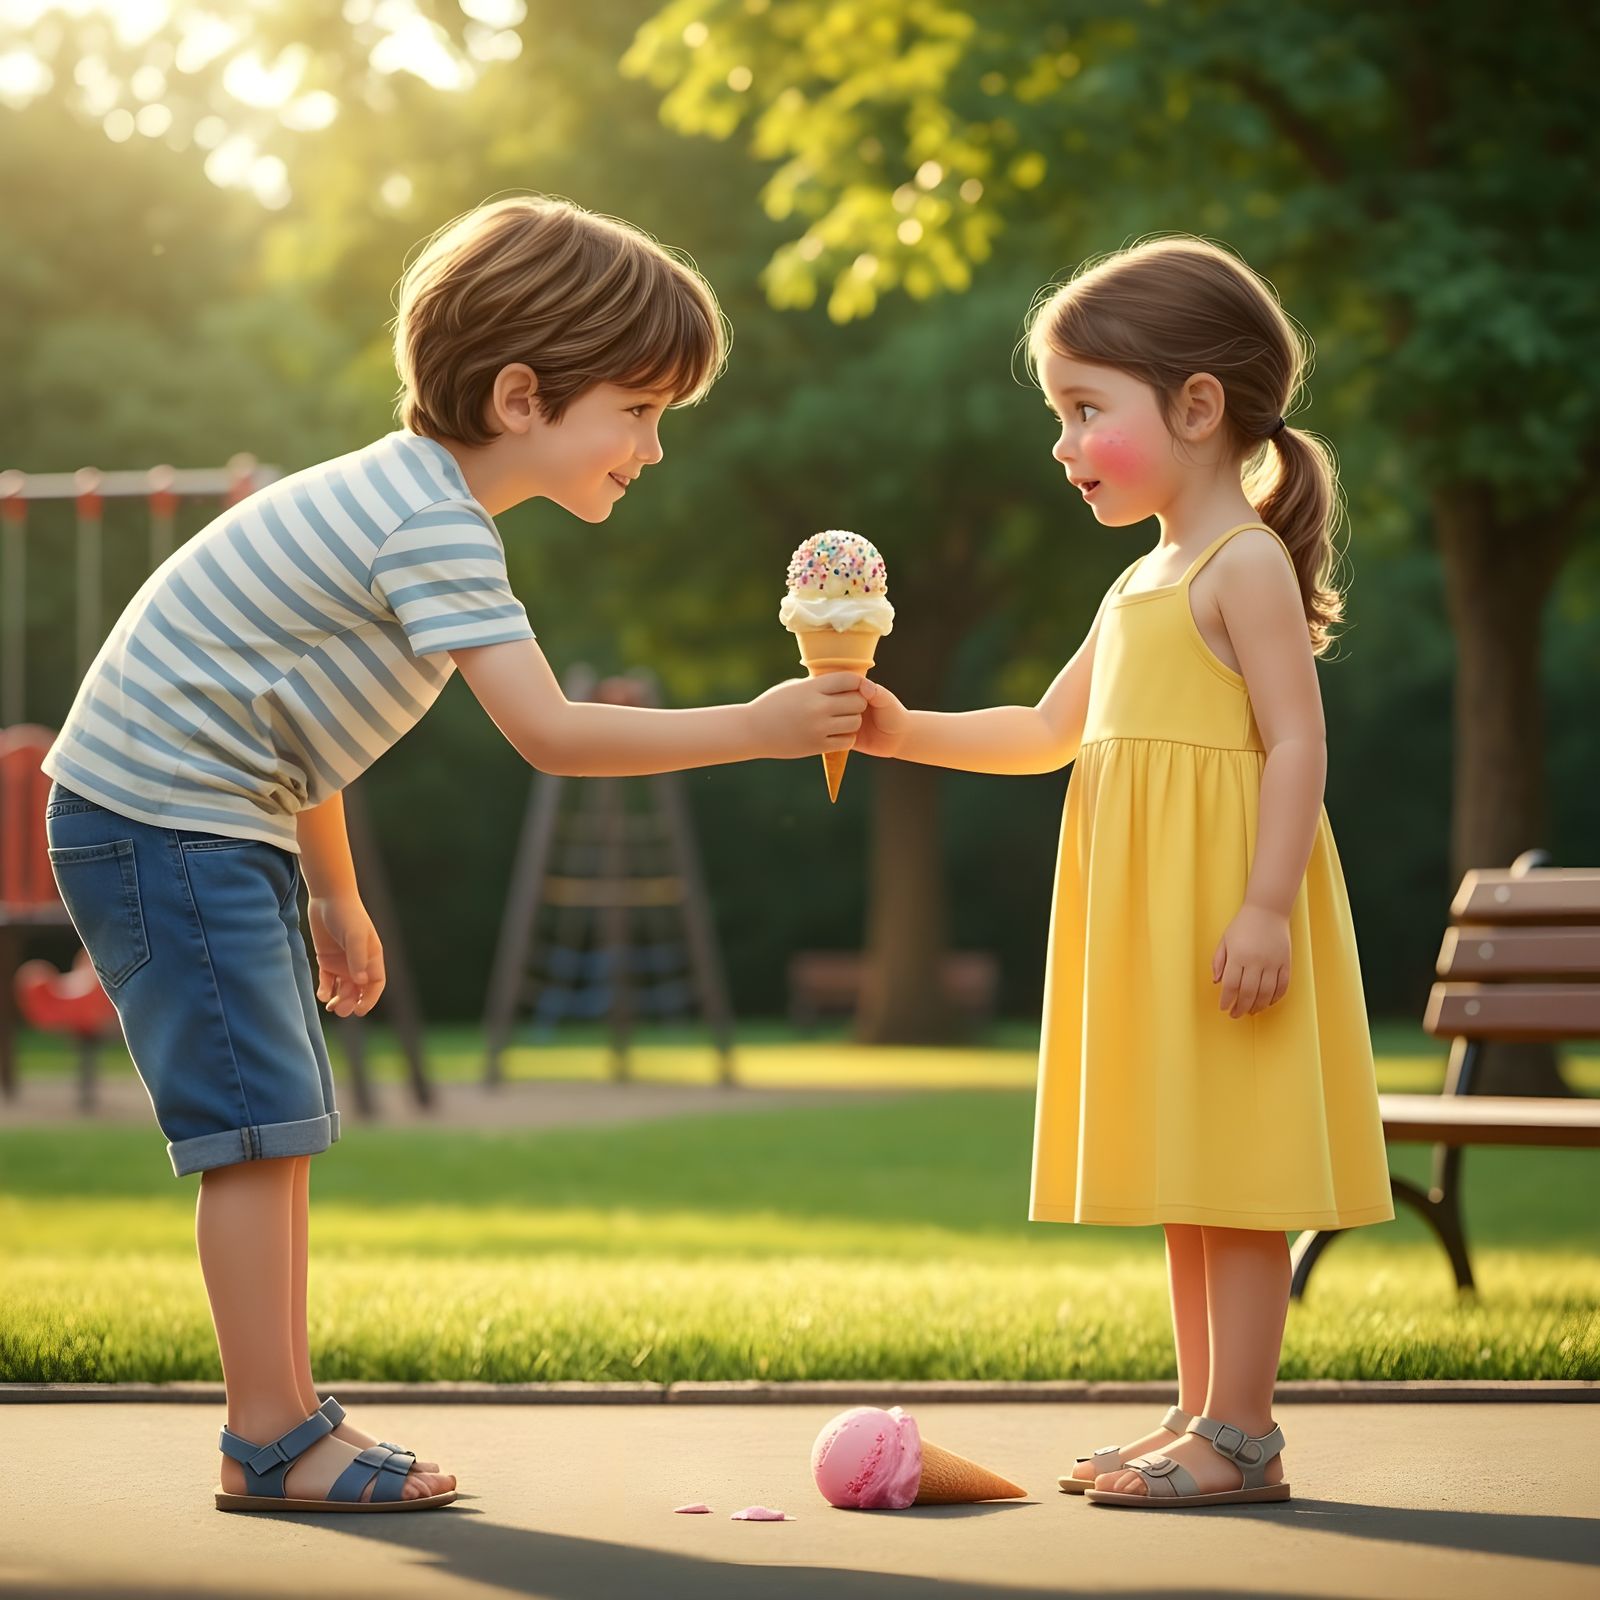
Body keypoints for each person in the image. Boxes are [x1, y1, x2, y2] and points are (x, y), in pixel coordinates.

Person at [42, 195, 866, 1514]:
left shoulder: (401, 499)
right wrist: (760, 728)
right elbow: (548, 733)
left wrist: (333, 889)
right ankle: (270, 1439)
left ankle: (286, 1422)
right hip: (167, 815)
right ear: (525, 395)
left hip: (196, 809)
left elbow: (290, 711)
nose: (654, 450)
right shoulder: (429, 523)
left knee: (279, 1132)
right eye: (640, 412)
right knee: (256, 1137)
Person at [855, 236, 1392, 1509]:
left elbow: (1297, 739)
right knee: (1188, 1177)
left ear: (1197, 407)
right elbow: (1047, 733)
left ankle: (1244, 1434)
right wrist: (899, 725)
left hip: (1225, 909)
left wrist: (1264, 903)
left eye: (1086, 410)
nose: (1063, 444)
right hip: (1157, 919)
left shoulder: (1240, 564)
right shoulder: (1137, 578)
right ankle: (1198, 1412)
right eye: (1061, 414)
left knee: (1241, 1171)